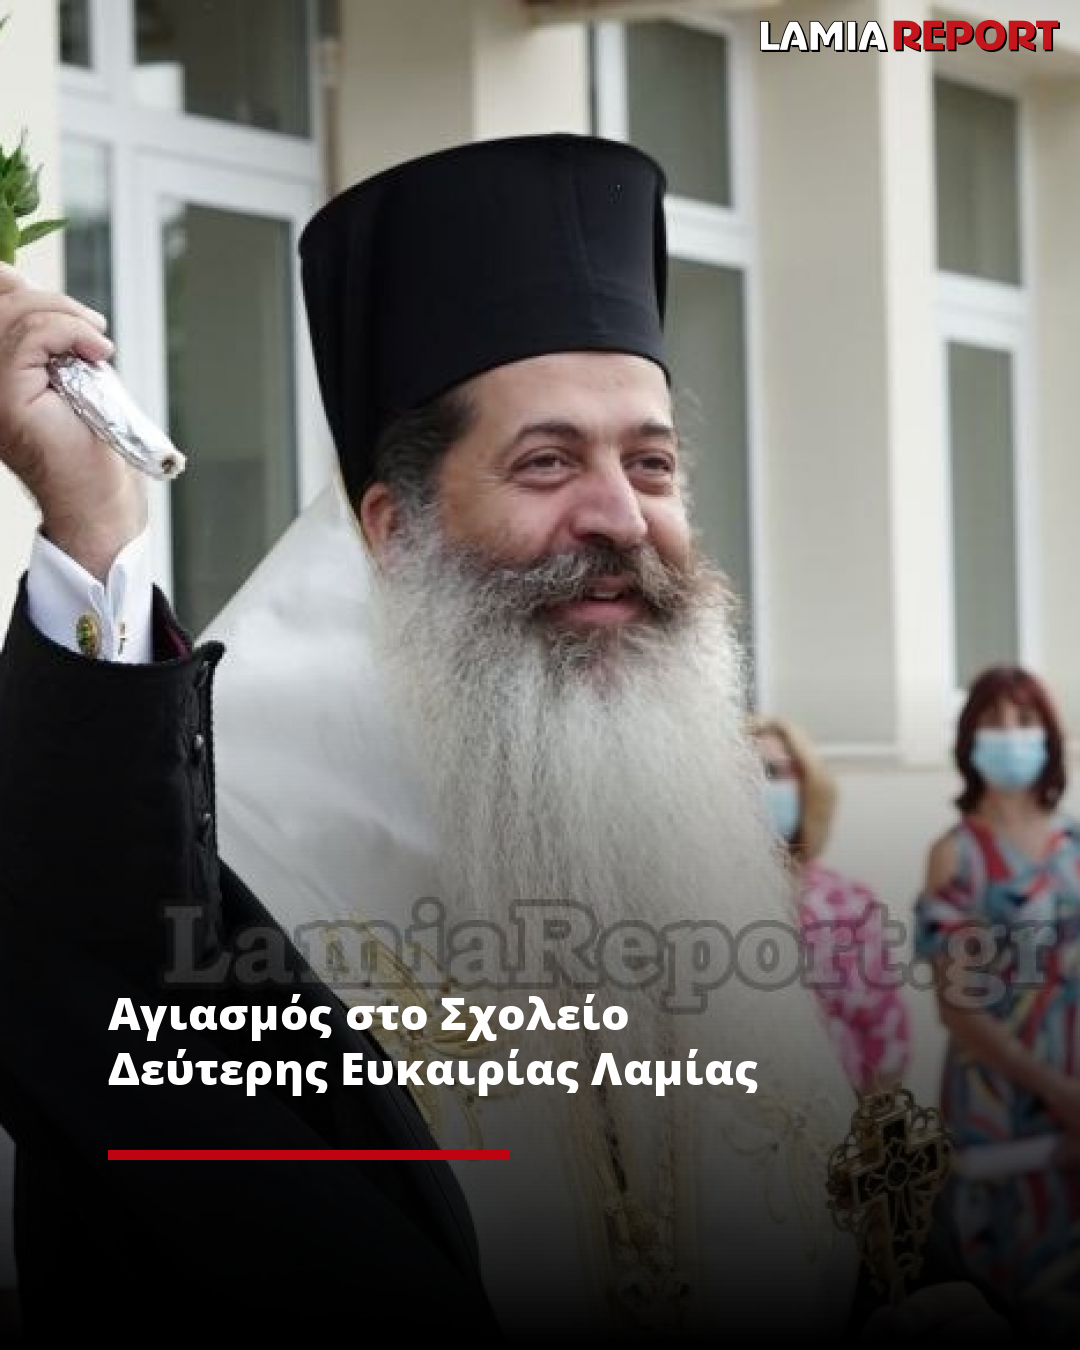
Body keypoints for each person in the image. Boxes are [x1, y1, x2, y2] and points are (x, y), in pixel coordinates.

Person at [0, 134, 1011, 1344]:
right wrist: (96, 533)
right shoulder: (251, 843)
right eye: (547, 462)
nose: (620, 516)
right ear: (395, 529)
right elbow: (89, 985)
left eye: (653, 463)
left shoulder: (679, 813)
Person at [914, 664, 1080, 1338]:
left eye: (1024, 719)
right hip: (998, 1108)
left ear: (1049, 736)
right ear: (968, 740)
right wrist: (1057, 1092)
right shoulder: (956, 856)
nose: (1010, 733)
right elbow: (958, 1007)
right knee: (1001, 1301)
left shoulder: (1074, 848)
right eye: (993, 720)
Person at [751, 715, 912, 1094]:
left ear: (807, 786)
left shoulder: (851, 905)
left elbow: (887, 1039)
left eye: (772, 772)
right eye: (742, 775)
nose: (756, 786)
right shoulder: (700, 904)